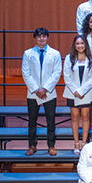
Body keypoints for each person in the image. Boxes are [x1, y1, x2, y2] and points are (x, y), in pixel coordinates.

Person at [22, 28, 62, 156]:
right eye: (39, 37)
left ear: (47, 38)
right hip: (33, 92)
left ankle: (51, 146)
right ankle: (32, 145)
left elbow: (56, 73)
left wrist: (45, 88)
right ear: (35, 38)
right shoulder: (28, 53)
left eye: (44, 37)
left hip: (49, 92)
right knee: (32, 121)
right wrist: (36, 89)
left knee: (51, 121)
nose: (41, 39)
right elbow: (26, 73)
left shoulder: (55, 54)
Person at [63, 35, 92, 155]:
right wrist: (75, 91)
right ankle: (76, 143)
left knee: (86, 117)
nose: (80, 46)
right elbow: (66, 77)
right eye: (78, 44)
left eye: (82, 43)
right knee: (74, 117)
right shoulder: (69, 58)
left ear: (85, 45)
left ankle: (84, 143)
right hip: (72, 93)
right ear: (74, 45)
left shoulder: (91, 59)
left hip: (86, 93)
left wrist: (82, 91)